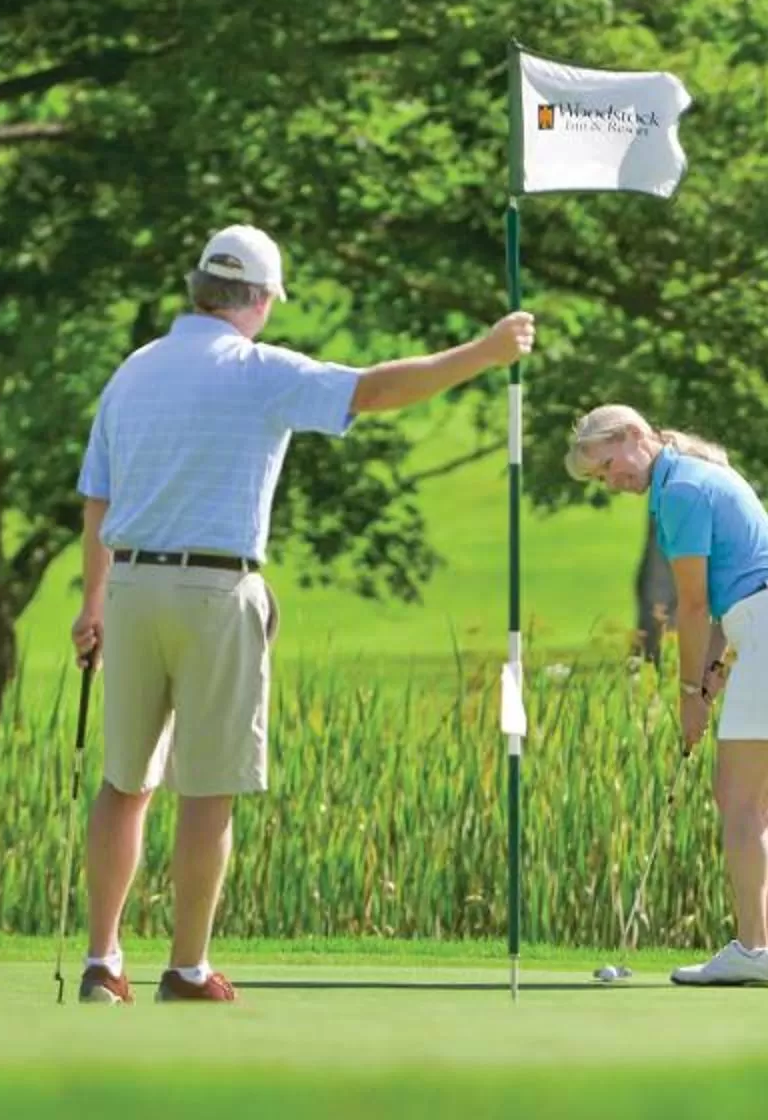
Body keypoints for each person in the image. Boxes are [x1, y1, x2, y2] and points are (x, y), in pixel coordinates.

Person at [68, 225, 535, 1004]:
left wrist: (91, 603)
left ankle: (101, 961)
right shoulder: (259, 371)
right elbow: (379, 389)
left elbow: (98, 499)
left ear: (199, 289)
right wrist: (484, 353)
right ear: (258, 300)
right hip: (217, 593)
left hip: (131, 590)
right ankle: (184, 969)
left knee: (124, 783)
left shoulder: (135, 370)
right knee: (207, 788)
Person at [566, 406, 768, 988]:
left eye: (608, 465)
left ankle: (752, 946)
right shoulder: (696, 474)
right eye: (600, 478)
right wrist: (715, 666)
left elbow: (691, 606)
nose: (612, 482)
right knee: (758, 802)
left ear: (633, 437)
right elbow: (721, 601)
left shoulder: (679, 491)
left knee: (738, 799)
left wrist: (690, 692)